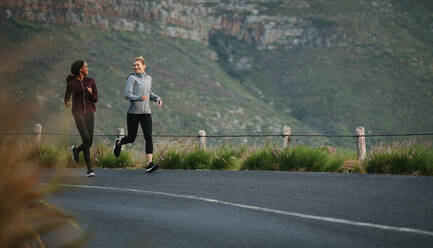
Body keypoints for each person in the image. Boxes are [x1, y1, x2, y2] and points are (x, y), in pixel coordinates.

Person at [113, 56, 162, 173]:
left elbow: (149, 93)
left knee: (148, 137)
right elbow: (127, 95)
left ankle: (150, 164)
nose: (135, 67)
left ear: (144, 66)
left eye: (138, 65)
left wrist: (157, 98)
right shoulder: (132, 78)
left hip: (146, 113)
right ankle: (119, 143)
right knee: (131, 138)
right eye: (134, 65)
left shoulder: (149, 78)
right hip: (133, 113)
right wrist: (139, 98)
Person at [64, 60, 98, 177]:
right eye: (85, 67)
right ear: (80, 69)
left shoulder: (91, 81)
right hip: (78, 113)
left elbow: (95, 99)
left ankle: (76, 150)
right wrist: (68, 102)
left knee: (90, 141)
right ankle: (89, 169)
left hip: (89, 113)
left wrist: (90, 93)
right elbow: (66, 98)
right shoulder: (72, 83)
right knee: (86, 139)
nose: (87, 68)